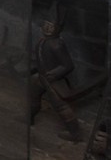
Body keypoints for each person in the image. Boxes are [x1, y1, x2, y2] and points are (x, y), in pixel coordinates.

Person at [29, 12, 82, 143]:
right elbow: (42, 59)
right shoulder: (42, 41)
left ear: (58, 29)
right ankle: (29, 118)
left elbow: (68, 65)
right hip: (41, 77)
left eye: (51, 26)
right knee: (32, 96)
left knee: (62, 107)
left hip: (52, 81)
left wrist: (55, 73)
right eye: (46, 25)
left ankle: (75, 133)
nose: (47, 28)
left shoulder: (57, 45)